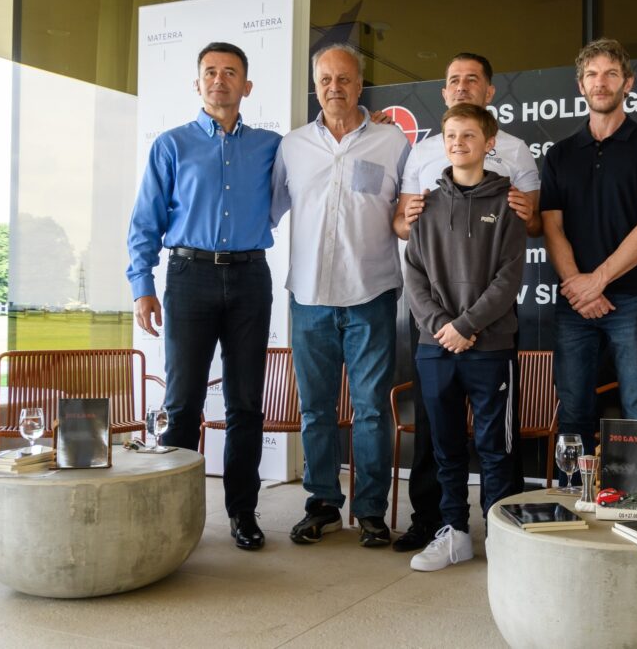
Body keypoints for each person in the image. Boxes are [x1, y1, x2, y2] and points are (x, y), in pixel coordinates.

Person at [127, 42, 280, 551]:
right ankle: (174, 516)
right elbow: (145, 221)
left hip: (251, 278)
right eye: (210, 72)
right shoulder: (171, 145)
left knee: (245, 404)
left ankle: (243, 513)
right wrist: (142, 286)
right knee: (183, 402)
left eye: (230, 72)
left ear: (246, 86)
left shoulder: (271, 147)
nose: (219, 79)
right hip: (188, 276)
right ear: (197, 84)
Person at [390, 52, 541, 553]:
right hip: (435, 345)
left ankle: (500, 539)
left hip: (489, 345)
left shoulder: (510, 204)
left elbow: (508, 278)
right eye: (451, 136)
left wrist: (467, 325)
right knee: (445, 447)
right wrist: (441, 326)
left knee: (495, 449)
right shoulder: (426, 205)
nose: (458, 143)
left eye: (469, 136)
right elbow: (414, 273)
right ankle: (452, 533)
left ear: (488, 142)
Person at [271, 44, 410, 548]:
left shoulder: (393, 142)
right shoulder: (292, 146)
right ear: (315, 85)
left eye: (344, 79)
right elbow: (269, 210)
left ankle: (370, 511)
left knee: (372, 409)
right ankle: (323, 505)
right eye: (326, 79)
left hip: (370, 292)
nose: (335, 88)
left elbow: (408, 211)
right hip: (308, 297)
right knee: (316, 409)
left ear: (360, 83)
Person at [540, 38, 637, 458]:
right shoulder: (560, 154)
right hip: (574, 303)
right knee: (573, 409)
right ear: (580, 85)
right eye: (592, 75)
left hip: (633, 297)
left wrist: (596, 281)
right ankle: (573, 494)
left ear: (627, 82)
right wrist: (578, 286)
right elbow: (551, 227)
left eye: (611, 74)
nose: (601, 82)